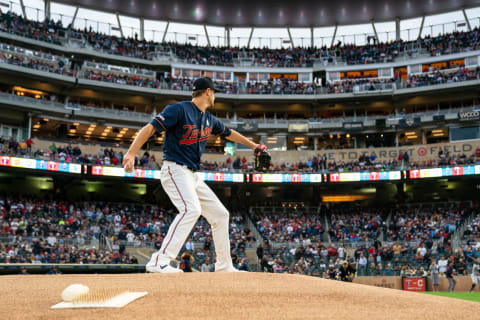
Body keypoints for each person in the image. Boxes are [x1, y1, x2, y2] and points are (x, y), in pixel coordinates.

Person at [123, 77, 264, 273]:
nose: (215, 96)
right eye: (214, 92)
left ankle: (224, 266)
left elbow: (229, 133)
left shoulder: (208, 118)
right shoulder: (179, 109)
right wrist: (131, 153)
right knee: (191, 209)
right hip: (174, 168)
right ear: (208, 91)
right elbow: (149, 128)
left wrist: (254, 146)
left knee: (221, 215)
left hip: (191, 175)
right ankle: (159, 261)